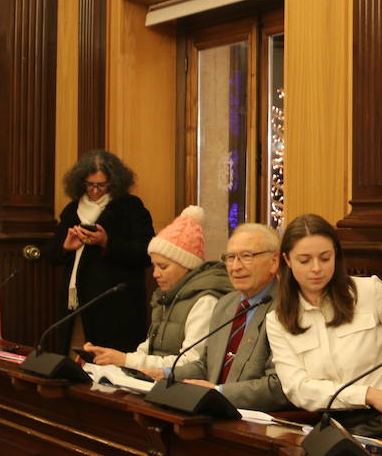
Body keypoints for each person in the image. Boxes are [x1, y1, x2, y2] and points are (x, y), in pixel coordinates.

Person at [265, 214, 382, 436]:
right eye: (304, 260)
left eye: (325, 258)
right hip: (327, 423)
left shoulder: (368, 292)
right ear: (287, 260)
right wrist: (366, 394)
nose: (316, 268)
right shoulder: (278, 319)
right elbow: (298, 388)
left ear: (336, 254)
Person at [84, 206, 230, 374]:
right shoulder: (165, 296)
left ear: (187, 265)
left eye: (163, 266)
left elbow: (190, 363)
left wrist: (126, 360)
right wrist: (113, 361)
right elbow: (148, 349)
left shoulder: (205, 301)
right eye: (154, 266)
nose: (155, 274)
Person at [169, 223, 289, 410]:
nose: (235, 267)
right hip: (212, 412)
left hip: (252, 420)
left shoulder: (286, 308)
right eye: (230, 257)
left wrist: (219, 392)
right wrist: (166, 375)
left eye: (247, 257)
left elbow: (278, 386)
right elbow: (206, 366)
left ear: (274, 262)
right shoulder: (225, 304)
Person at [48, 150, 153, 352]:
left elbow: (145, 253)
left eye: (101, 185)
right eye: (89, 185)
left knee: (108, 370)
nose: (95, 191)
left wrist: (107, 243)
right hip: (78, 304)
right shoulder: (72, 210)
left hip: (116, 307)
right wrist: (65, 247)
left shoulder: (130, 207)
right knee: (76, 362)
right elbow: (52, 255)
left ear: (114, 182)